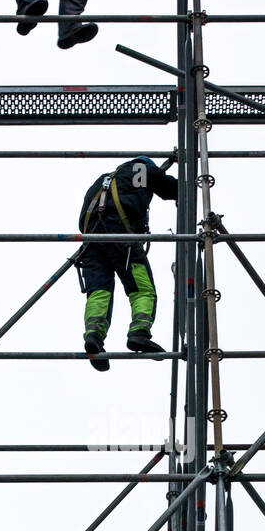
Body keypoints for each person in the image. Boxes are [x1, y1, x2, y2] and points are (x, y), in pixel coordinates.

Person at [77, 155, 179, 371]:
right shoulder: (140, 170)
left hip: (91, 243)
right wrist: (187, 186)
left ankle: (94, 337)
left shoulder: (103, 180)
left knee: (99, 292)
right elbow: (170, 188)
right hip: (120, 237)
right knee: (142, 289)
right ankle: (139, 334)